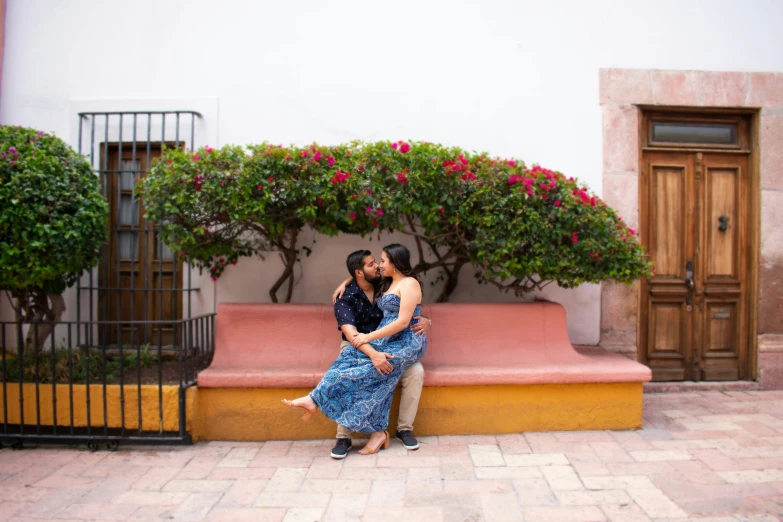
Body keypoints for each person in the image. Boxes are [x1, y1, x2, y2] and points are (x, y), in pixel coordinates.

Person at [283, 244, 428, 456]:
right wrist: (373, 352)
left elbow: (407, 315)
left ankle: (402, 430)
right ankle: (345, 436)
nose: (378, 266)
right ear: (359, 273)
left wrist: (427, 320)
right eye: (372, 264)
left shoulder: (384, 281)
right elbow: (352, 336)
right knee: (353, 361)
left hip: (393, 340)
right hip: (359, 342)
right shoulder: (345, 297)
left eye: (380, 261)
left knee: (409, 372)